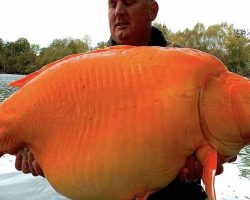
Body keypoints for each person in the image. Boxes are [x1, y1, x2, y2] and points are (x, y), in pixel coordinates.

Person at [15, 0, 237, 199]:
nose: (119, 11)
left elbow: (229, 131)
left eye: (129, 2)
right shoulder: (85, 72)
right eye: (112, 4)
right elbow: (72, 147)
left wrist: (221, 155)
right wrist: (38, 157)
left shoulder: (190, 66)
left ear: (152, 10)